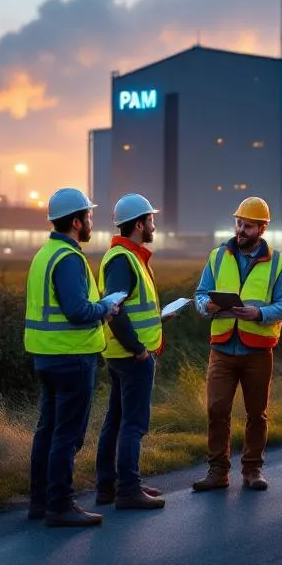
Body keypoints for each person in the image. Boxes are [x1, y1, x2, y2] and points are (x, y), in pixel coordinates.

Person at [25, 187, 121, 528]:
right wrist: (106, 307)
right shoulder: (69, 258)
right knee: (67, 435)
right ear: (77, 221)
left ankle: (40, 502)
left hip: (46, 357)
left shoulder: (44, 254)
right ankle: (61, 505)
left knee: (48, 431)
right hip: (72, 357)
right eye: (90, 217)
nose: (92, 222)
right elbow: (78, 310)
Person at [191, 196, 282, 491]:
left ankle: (252, 470)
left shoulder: (278, 263)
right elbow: (200, 293)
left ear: (262, 228)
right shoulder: (217, 256)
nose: (240, 230)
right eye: (238, 223)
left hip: (258, 351)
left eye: (247, 226)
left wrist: (259, 313)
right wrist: (206, 306)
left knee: (256, 413)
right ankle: (217, 472)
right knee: (217, 410)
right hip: (222, 348)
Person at [94, 193, 176, 511]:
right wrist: (138, 349)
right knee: (133, 423)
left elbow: (133, 307)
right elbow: (115, 309)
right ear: (140, 224)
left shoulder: (131, 257)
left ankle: (109, 487)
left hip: (124, 353)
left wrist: (162, 318)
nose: (154, 224)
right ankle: (127, 489)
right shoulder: (122, 259)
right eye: (151, 220)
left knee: (116, 420)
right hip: (131, 356)